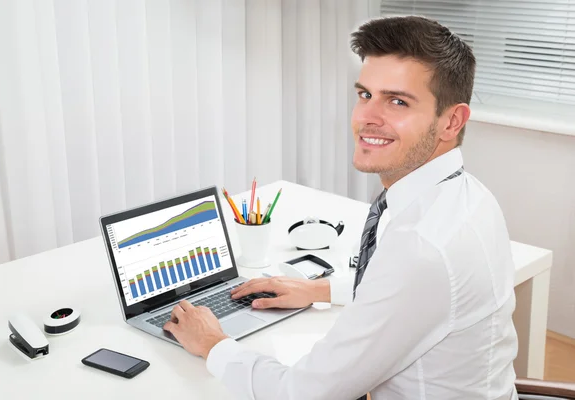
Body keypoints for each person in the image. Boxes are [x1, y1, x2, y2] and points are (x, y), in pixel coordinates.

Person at [163, 16, 518, 399]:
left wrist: (213, 344)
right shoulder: (466, 194)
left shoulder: (422, 248)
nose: (367, 116)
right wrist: (320, 289)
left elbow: (302, 393)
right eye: (365, 95)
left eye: (397, 101)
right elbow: (411, 297)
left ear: (451, 121)